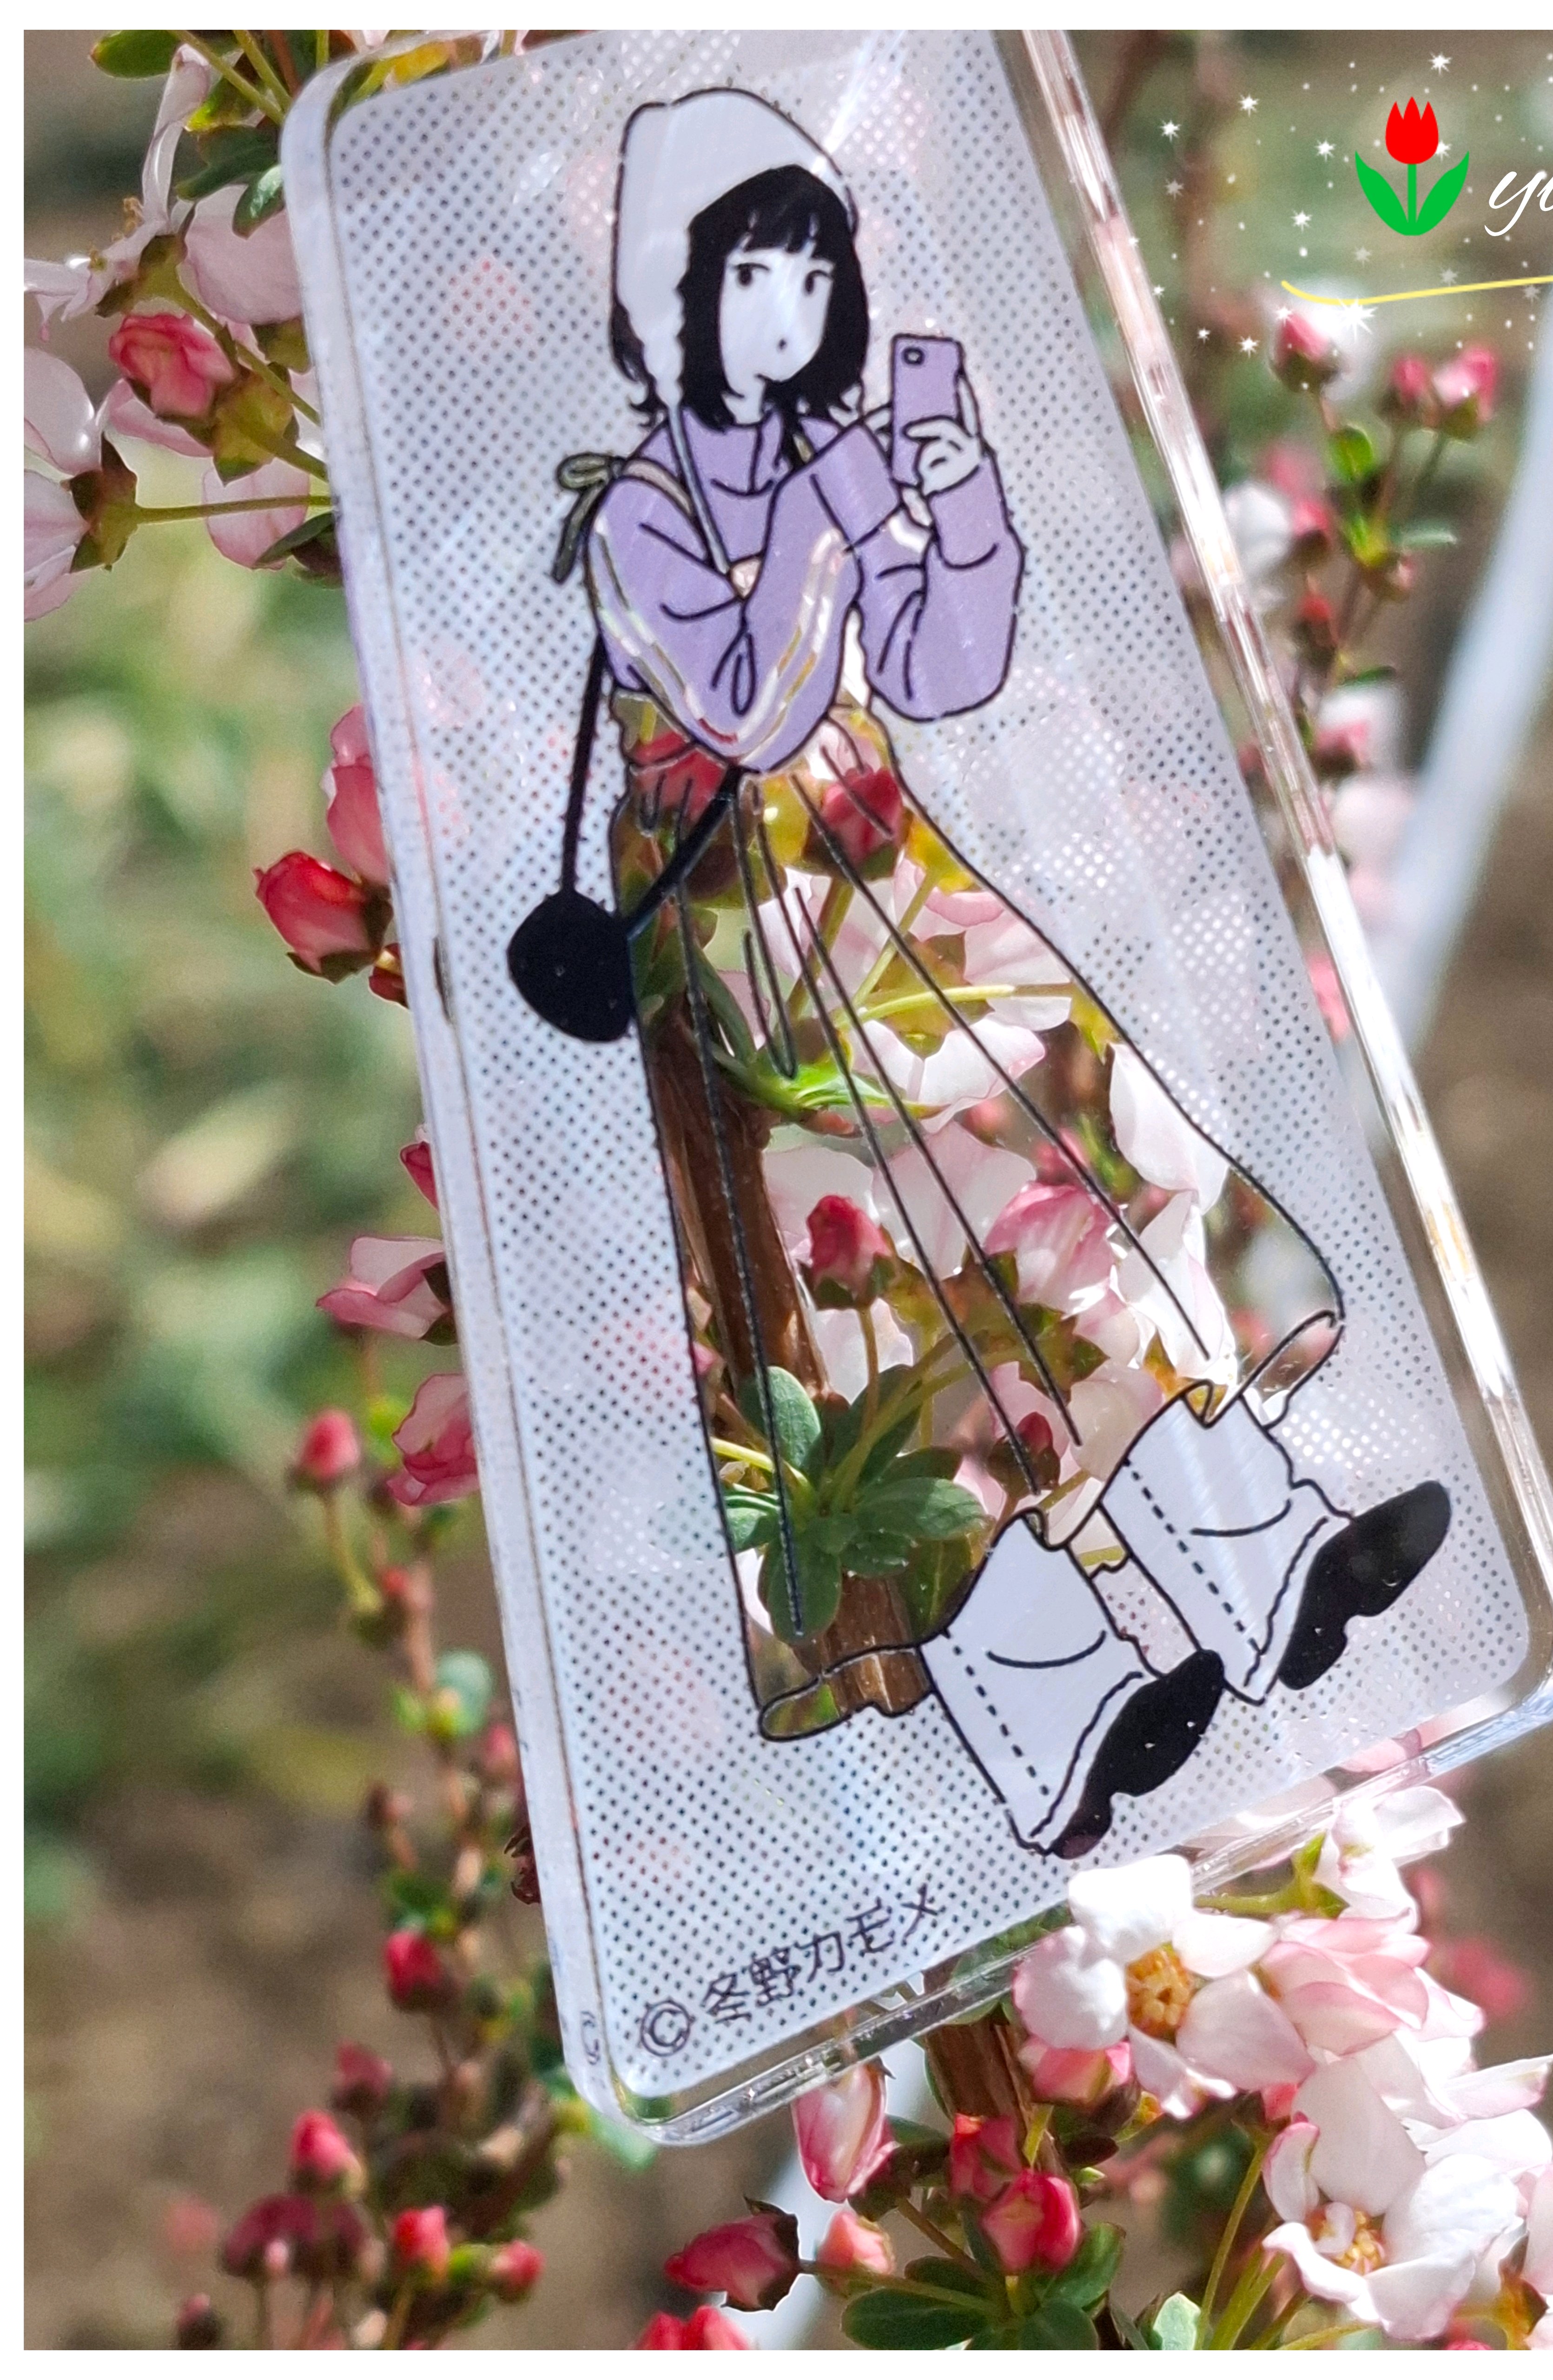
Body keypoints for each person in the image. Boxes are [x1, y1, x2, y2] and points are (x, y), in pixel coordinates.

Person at [522, 87, 1449, 1859]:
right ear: (670, 299)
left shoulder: (819, 459)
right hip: (745, 943)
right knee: (883, 1332)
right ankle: (1053, 1721)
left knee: (1078, 1214)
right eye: (750, 279)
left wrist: (952, 517)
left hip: (893, 882)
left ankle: (1266, 1574)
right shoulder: (636, 510)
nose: (789, 317)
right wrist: (833, 513)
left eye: (812, 279)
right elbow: (743, 702)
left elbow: (945, 668)